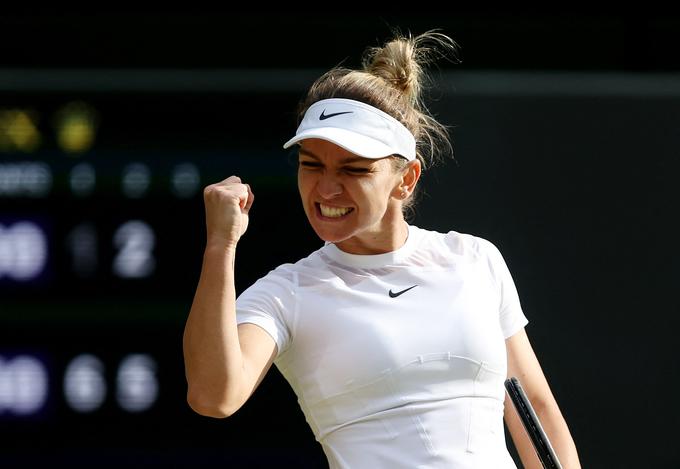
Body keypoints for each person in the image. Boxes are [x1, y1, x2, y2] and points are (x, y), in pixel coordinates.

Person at [183, 31, 581, 468]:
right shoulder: (285, 293)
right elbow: (213, 396)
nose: (326, 188)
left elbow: (536, 410)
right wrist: (221, 245)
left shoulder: (474, 259)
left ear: (406, 179)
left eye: (353, 169)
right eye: (311, 165)